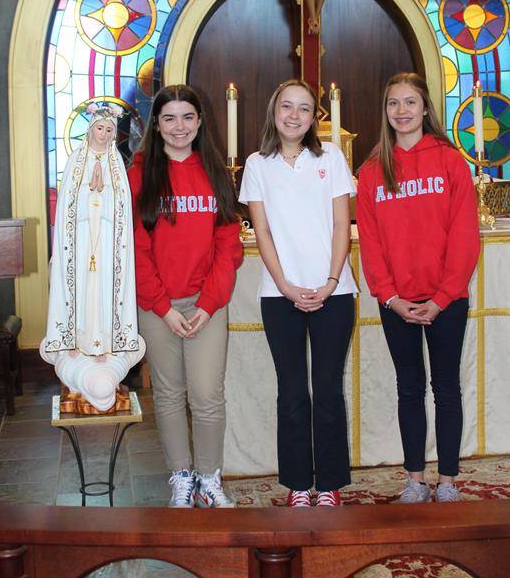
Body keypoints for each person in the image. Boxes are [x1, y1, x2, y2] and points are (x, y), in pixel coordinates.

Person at [357, 73, 480, 503]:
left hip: (447, 300)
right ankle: (414, 479)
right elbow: (370, 243)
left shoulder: (450, 161)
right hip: (397, 303)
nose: (403, 111)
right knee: (409, 386)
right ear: (385, 111)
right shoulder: (372, 171)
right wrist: (391, 298)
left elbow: (465, 236)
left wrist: (442, 297)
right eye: (394, 104)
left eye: (411, 103)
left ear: (426, 108)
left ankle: (447, 481)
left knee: (446, 387)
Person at [239, 78, 357, 507]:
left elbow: (343, 224)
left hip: (335, 292)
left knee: (327, 388)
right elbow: (262, 230)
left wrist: (328, 281)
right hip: (279, 294)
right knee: (291, 391)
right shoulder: (257, 164)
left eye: (304, 108)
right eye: (286, 106)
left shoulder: (331, 158)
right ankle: (297, 485)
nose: (294, 115)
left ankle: (328, 484)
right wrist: (287, 287)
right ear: (274, 111)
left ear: (314, 117)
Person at [128, 84, 243, 508]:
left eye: (187, 117)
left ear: (200, 121)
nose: (179, 127)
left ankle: (209, 479)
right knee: (169, 393)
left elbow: (228, 246)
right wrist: (161, 307)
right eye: (169, 118)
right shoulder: (140, 174)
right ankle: (181, 476)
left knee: (207, 394)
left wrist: (209, 303)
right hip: (157, 304)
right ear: (156, 125)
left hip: (206, 303)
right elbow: (135, 248)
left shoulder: (214, 171)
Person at [41, 103, 146, 412]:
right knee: (82, 291)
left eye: (110, 129)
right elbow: (69, 207)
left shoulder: (116, 165)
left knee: (103, 292)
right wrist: (91, 195)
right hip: (82, 241)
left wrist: (104, 196)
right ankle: (76, 343)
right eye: (100, 128)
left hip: (108, 245)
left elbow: (122, 208)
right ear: (90, 131)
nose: (104, 133)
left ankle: (103, 344)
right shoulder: (77, 161)